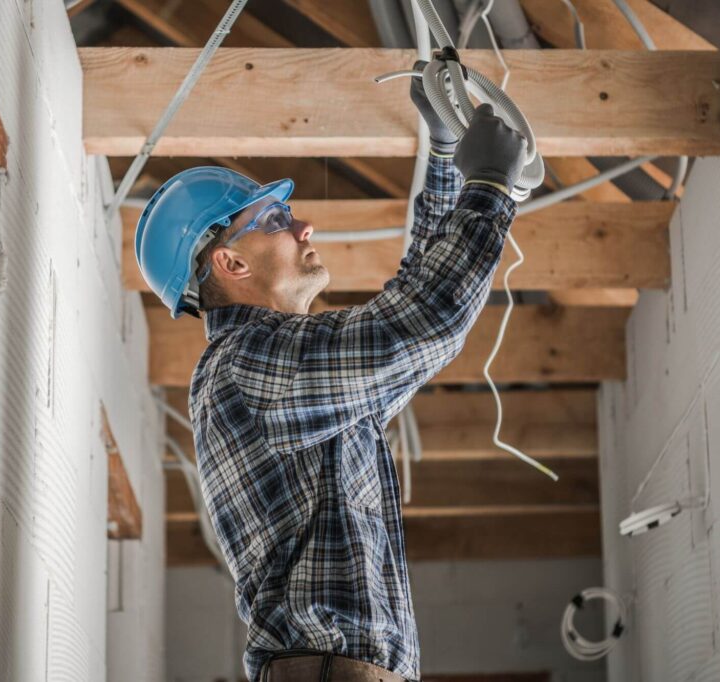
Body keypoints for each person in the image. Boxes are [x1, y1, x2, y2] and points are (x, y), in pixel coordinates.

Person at [135, 62, 527, 682]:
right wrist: (489, 190)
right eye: (272, 221)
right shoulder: (247, 366)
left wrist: (450, 159)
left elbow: (414, 300)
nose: (302, 226)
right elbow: (424, 322)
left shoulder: (282, 373)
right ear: (231, 262)